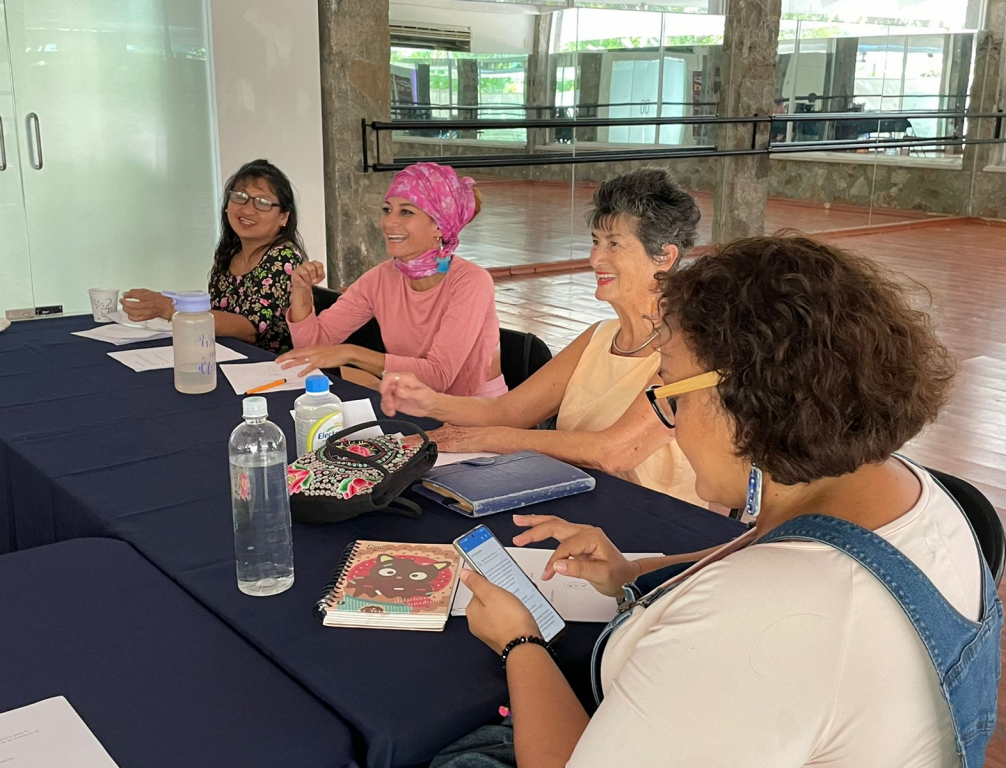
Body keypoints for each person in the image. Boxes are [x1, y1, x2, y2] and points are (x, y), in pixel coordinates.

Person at [435, 235, 999, 768]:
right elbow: (781, 552)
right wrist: (634, 574)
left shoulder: (762, 613)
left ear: (745, 399)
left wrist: (520, 640)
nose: (671, 422)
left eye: (671, 392)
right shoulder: (913, 491)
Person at [380, 168, 703, 504]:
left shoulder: (690, 352)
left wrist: (484, 439)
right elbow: (507, 411)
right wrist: (429, 401)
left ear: (664, 257)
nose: (595, 258)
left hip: (651, 515)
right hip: (576, 500)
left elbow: (613, 452)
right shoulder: (599, 336)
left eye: (614, 244)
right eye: (595, 242)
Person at [276, 162, 506, 398]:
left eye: (406, 212)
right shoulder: (380, 278)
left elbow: (438, 376)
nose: (388, 222)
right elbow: (312, 350)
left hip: (476, 412)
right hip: (411, 404)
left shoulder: (472, 281)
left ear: (439, 225)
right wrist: (301, 291)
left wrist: (351, 353)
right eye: (387, 210)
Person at [121, 159, 306, 353]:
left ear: (283, 216)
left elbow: (250, 329)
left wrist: (171, 309)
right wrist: (175, 303)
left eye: (263, 202)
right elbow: (216, 311)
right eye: (240, 196)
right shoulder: (230, 250)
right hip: (220, 354)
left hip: (267, 364)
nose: (247, 209)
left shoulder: (284, 257)